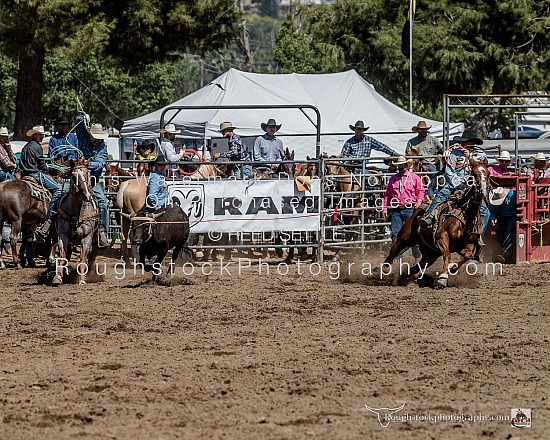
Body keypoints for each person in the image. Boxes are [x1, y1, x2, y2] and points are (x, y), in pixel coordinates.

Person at [422, 130, 490, 259]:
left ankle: (477, 237)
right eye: (468, 142)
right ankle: (429, 217)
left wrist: (469, 157)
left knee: (485, 212)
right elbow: (449, 172)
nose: (469, 144)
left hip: (473, 187)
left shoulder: (479, 154)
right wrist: (459, 184)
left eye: (472, 143)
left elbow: (480, 168)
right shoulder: (452, 153)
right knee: (441, 195)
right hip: (455, 185)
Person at [74, 115, 110, 247]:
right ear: (90, 134)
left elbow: (99, 164)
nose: (97, 140)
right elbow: (78, 122)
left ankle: (102, 232)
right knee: (62, 193)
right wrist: (83, 117)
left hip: (92, 180)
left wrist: (87, 164)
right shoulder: (83, 136)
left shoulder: (102, 148)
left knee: (103, 203)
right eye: (95, 136)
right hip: (77, 176)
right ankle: (49, 223)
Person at [382, 155, 424, 262]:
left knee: (412, 233)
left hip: (410, 209)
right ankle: (397, 257)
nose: (401, 167)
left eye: (402, 165)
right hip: (397, 209)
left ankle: (417, 254)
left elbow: (420, 191)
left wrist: (419, 201)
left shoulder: (414, 177)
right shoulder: (393, 179)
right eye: (399, 165)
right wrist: (385, 208)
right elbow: (388, 194)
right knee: (396, 234)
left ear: (406, 165)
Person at [18, 125, 62, 220]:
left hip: (24, 175)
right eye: (40, 135)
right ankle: (50, 213)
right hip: (35, 174)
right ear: (34, 135)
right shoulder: (37, 147)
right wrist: (46, 170)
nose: (42, 137)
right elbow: (41, 164)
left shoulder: (26, 146)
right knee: (59, 188)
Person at [488, 187, 517, 264]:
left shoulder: (513, 195)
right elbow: (491, 210)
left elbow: (519, 205)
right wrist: (492, 217)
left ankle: (506, 253)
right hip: (501, 217)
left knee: (508, 232)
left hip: (512, 216)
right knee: (501, 232)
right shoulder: (494, 198)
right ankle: (502, 253)